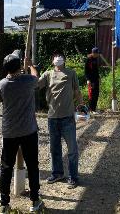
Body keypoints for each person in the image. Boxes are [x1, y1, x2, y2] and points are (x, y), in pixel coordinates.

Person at [0, 50, 44, 213]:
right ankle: (35, 201)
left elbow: (2, 99)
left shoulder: (2, 84)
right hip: (28, 131)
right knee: (32, 165)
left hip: (9, 131)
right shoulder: (28, 81)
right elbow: (36, 77)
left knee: (6, 166)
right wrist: (30, 65)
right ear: (19, 67)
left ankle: (4, 203)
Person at [33, 50, 84, 189]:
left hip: (67, 117)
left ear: (65, 59)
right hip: (52, 117)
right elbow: (35, 84)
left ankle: (73, 176)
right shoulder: (48, 74)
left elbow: (77, 91)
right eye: (55, 56)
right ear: (52, 60)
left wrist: (82, 107)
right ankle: (57, 173)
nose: (58, 58)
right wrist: (30, 68)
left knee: (72, 149)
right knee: (54, 148)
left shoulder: (71, 73)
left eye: (60, 56)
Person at [85, 47, 102, 114]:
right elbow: (86, 71)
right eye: (98, 53)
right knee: (92, 94)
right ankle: (91, 110)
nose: (98, 54)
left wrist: (99, 77)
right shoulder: (88, 59)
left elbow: (96, 70)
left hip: (96, 79)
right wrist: (88, 79)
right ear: (94, 53)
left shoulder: (95, 59)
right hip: (91, 80)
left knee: (96, 94)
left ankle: (94, 108)